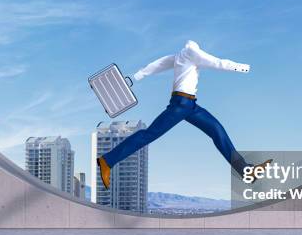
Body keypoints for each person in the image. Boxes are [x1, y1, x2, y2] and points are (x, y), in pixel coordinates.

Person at [97, 40, 271, 189]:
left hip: (191, 106)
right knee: (149, 134)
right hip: (181, 105)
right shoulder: (192, 52)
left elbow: (158, 64)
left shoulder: (180, 56)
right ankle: (107, 160)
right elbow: (218, 62)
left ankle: (246, 171)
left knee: (217, 130)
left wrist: (137, 76)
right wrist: (244, 68)